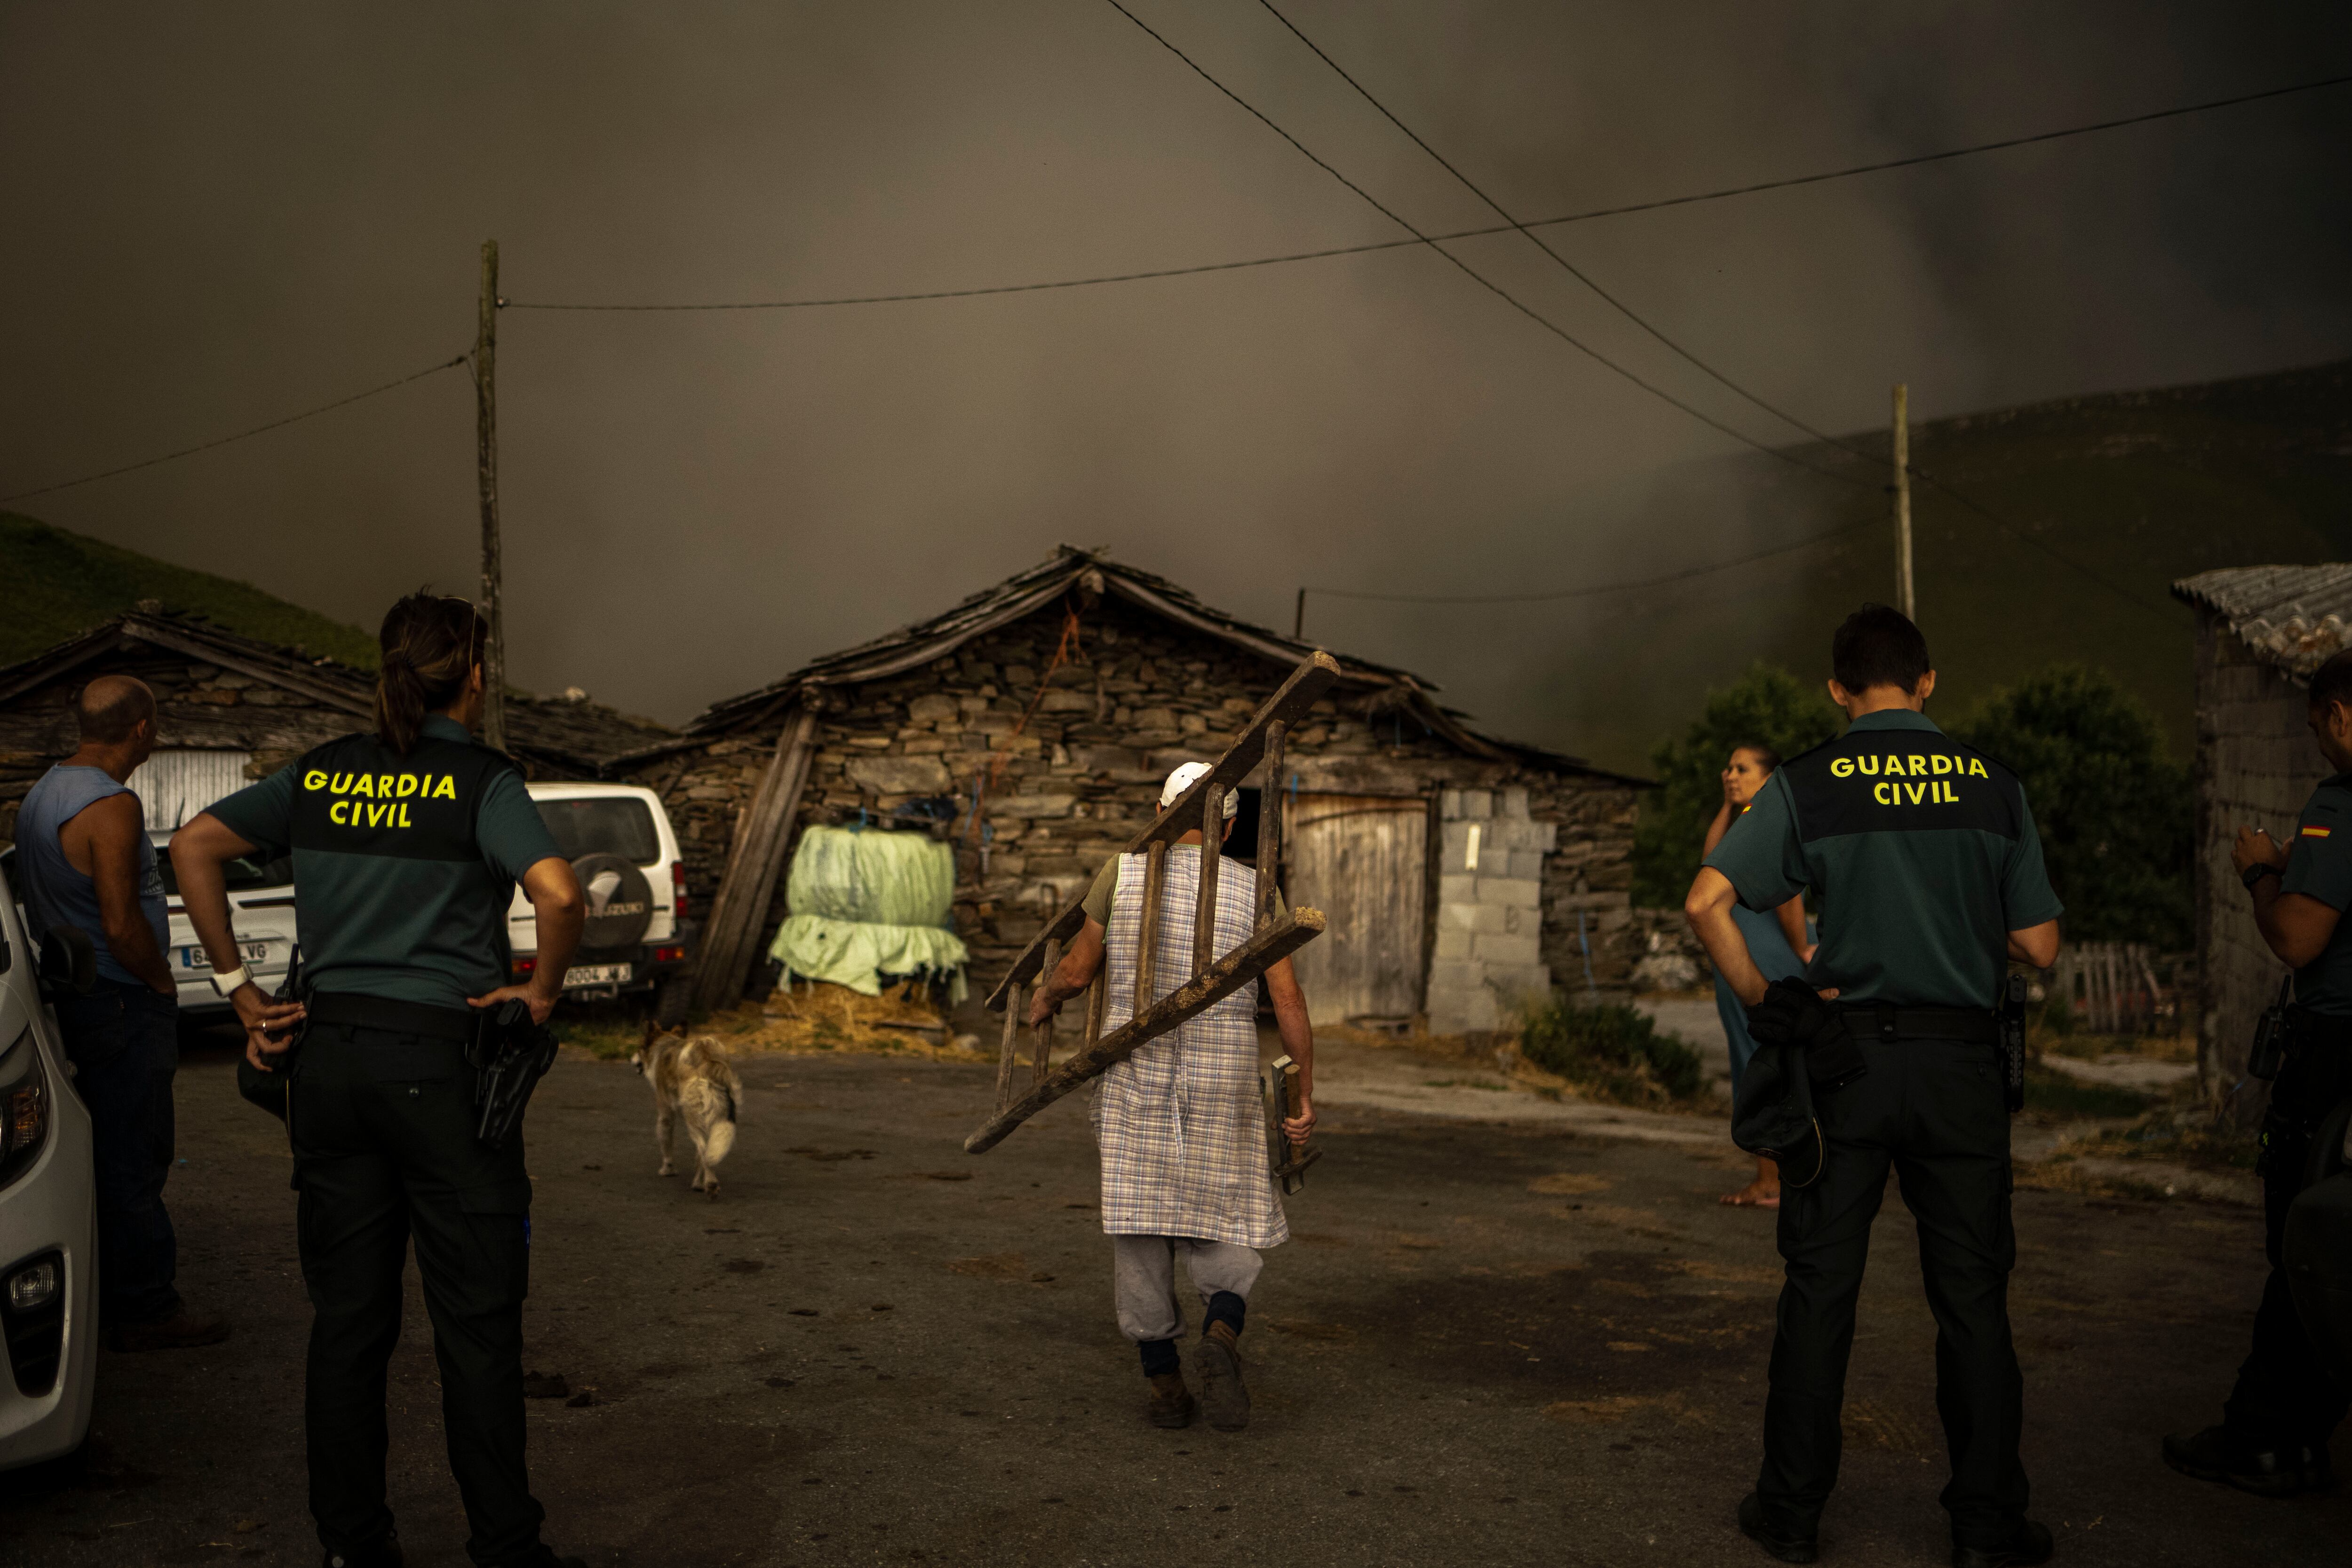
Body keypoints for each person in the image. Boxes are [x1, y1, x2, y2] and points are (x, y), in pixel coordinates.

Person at [171, 594, 588, 1568]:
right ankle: (505, 1546)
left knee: (349, 1322)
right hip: (441, 1071)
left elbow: (192, 845)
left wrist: (239, 993)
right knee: (475, 1323)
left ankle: (354, 1545)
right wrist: (539, 992)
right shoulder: (483, 781)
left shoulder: (322, 773)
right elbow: (560, 892)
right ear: (472, 672)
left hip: (326, 1064)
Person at [1685, 604, 2063, 1568]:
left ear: (1837, 690)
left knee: (1820, 1287)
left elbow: (1706, 900)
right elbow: (2040, 945)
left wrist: (1774, 1000)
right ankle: (1985, 1523)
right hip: (1961, 1064)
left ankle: (1790, 1511)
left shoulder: (1808, 782)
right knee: (1972, 1298)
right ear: (1928, 681)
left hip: (1843, 1061)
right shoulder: (1993, 785)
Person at [1025, 761, 1316, 1433]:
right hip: (1222, 1076)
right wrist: (1305, 1091)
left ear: (1160, 811)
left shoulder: (1122, 872)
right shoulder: (1254, 888)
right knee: (1228, 1217)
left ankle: (1164, 1385)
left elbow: (1075, 969)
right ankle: (1220, 1332)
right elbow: (1288, 997)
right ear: (1232, 825)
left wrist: (1045, 997)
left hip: (1136, 1075)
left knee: (1139, 1226)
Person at [2159, 648, 2352, 1498]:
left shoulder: (2339, 808)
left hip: (2337, 1057)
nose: (2318, 743)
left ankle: (2266, 1434)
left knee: (2306, 1243)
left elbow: (2299, 938)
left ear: (2340, 716)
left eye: (2316, 727)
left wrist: (2262, 871)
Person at [14, 675, 231, 1351]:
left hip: (80, 994)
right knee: (134, 1155)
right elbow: (120, 920)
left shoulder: (42, 793)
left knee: (106, 1151)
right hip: (120, 997)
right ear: (142, 729)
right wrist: (162, 983)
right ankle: (144, 1307)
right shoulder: (112, 805)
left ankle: (105, 1297)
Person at [1705, 743, 1815, 1207]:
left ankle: (1774, 1180)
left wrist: (1801, 949)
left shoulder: (1770, 821)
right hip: (1738, 957)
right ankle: (1772, 1176)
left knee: (1767, 1062)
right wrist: (1728, 804)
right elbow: (1708, 865)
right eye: (1727, 765)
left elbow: (1789, 894)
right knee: (1751, 1059)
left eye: (1741, 768)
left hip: (1766, 956)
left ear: (1768, 778)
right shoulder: (1743, 821)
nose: (1729, 773)